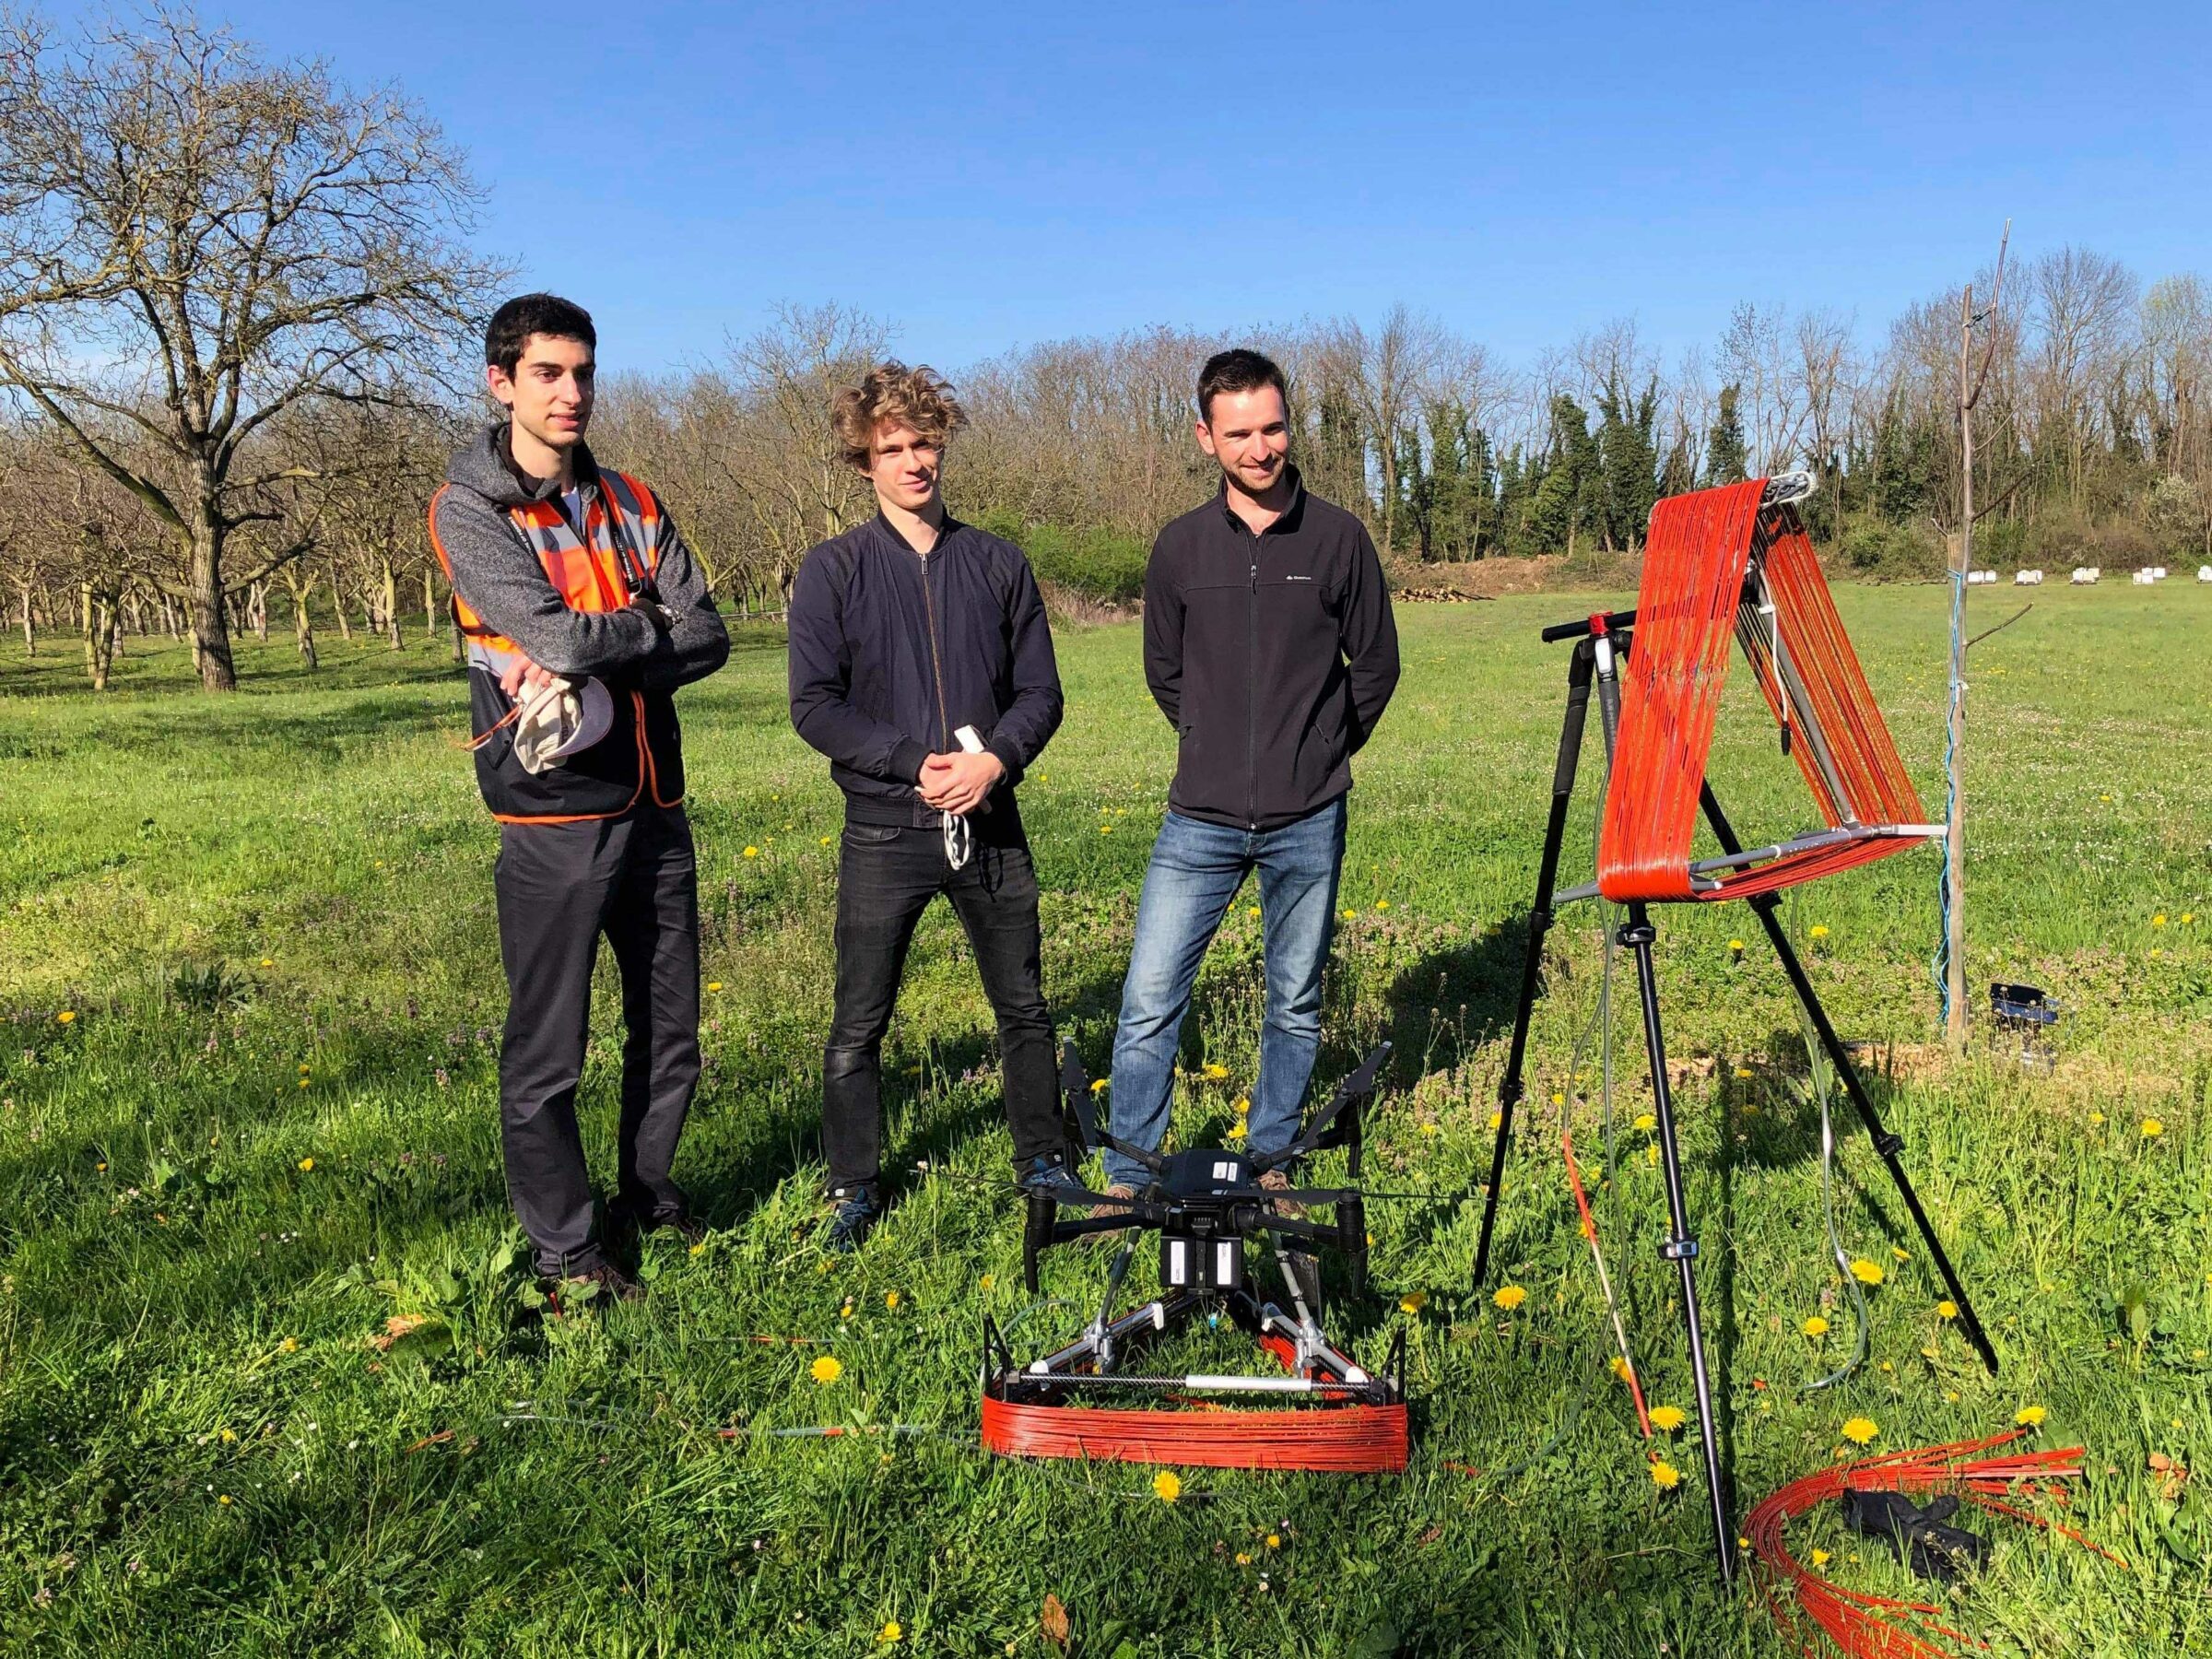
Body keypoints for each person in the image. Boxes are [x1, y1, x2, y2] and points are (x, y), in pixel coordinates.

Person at [428, 292, 729, 1303]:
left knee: (671, 1029)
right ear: (500, 381)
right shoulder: (469, 509)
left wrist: (620, 637)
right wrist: (648, 627)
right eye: (548, 374)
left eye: (583, 372)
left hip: (656, 801)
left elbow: (714, 634)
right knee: (549, 1048)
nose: (571, 393)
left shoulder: (636, 498)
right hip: (551, 811)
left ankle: (648, 1196)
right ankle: (565, 1251)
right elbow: (554, 640)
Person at [1102, 348, 1401, 1197]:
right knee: (1149, 1001)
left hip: (1309, 816)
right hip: (1198, 818)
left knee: (1294, 1003)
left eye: (1271, 428)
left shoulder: (1338, 537)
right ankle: (1129, 1173)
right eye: (1238, 433)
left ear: (1287, 425)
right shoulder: (1180, 548)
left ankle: (1270, 1160)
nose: (1259, 448)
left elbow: (1375, 665)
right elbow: (1166, 670)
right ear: (1206, 438)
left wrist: (1320, 750)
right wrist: (1208, 740)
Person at [787, 362, 1070, 1251]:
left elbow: (1041, 693)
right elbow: (814, 706)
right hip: (883, 829)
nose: (914, 462)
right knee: (857, 1022)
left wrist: (993, 763)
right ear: (862, 462)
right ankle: (853, 1186)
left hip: (991, 823)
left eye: (925, 443)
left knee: (1022, 1005)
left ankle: (1043, 1163)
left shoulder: (998, 563)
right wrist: (915, 765)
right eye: (893, 448)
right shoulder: (833, 571)